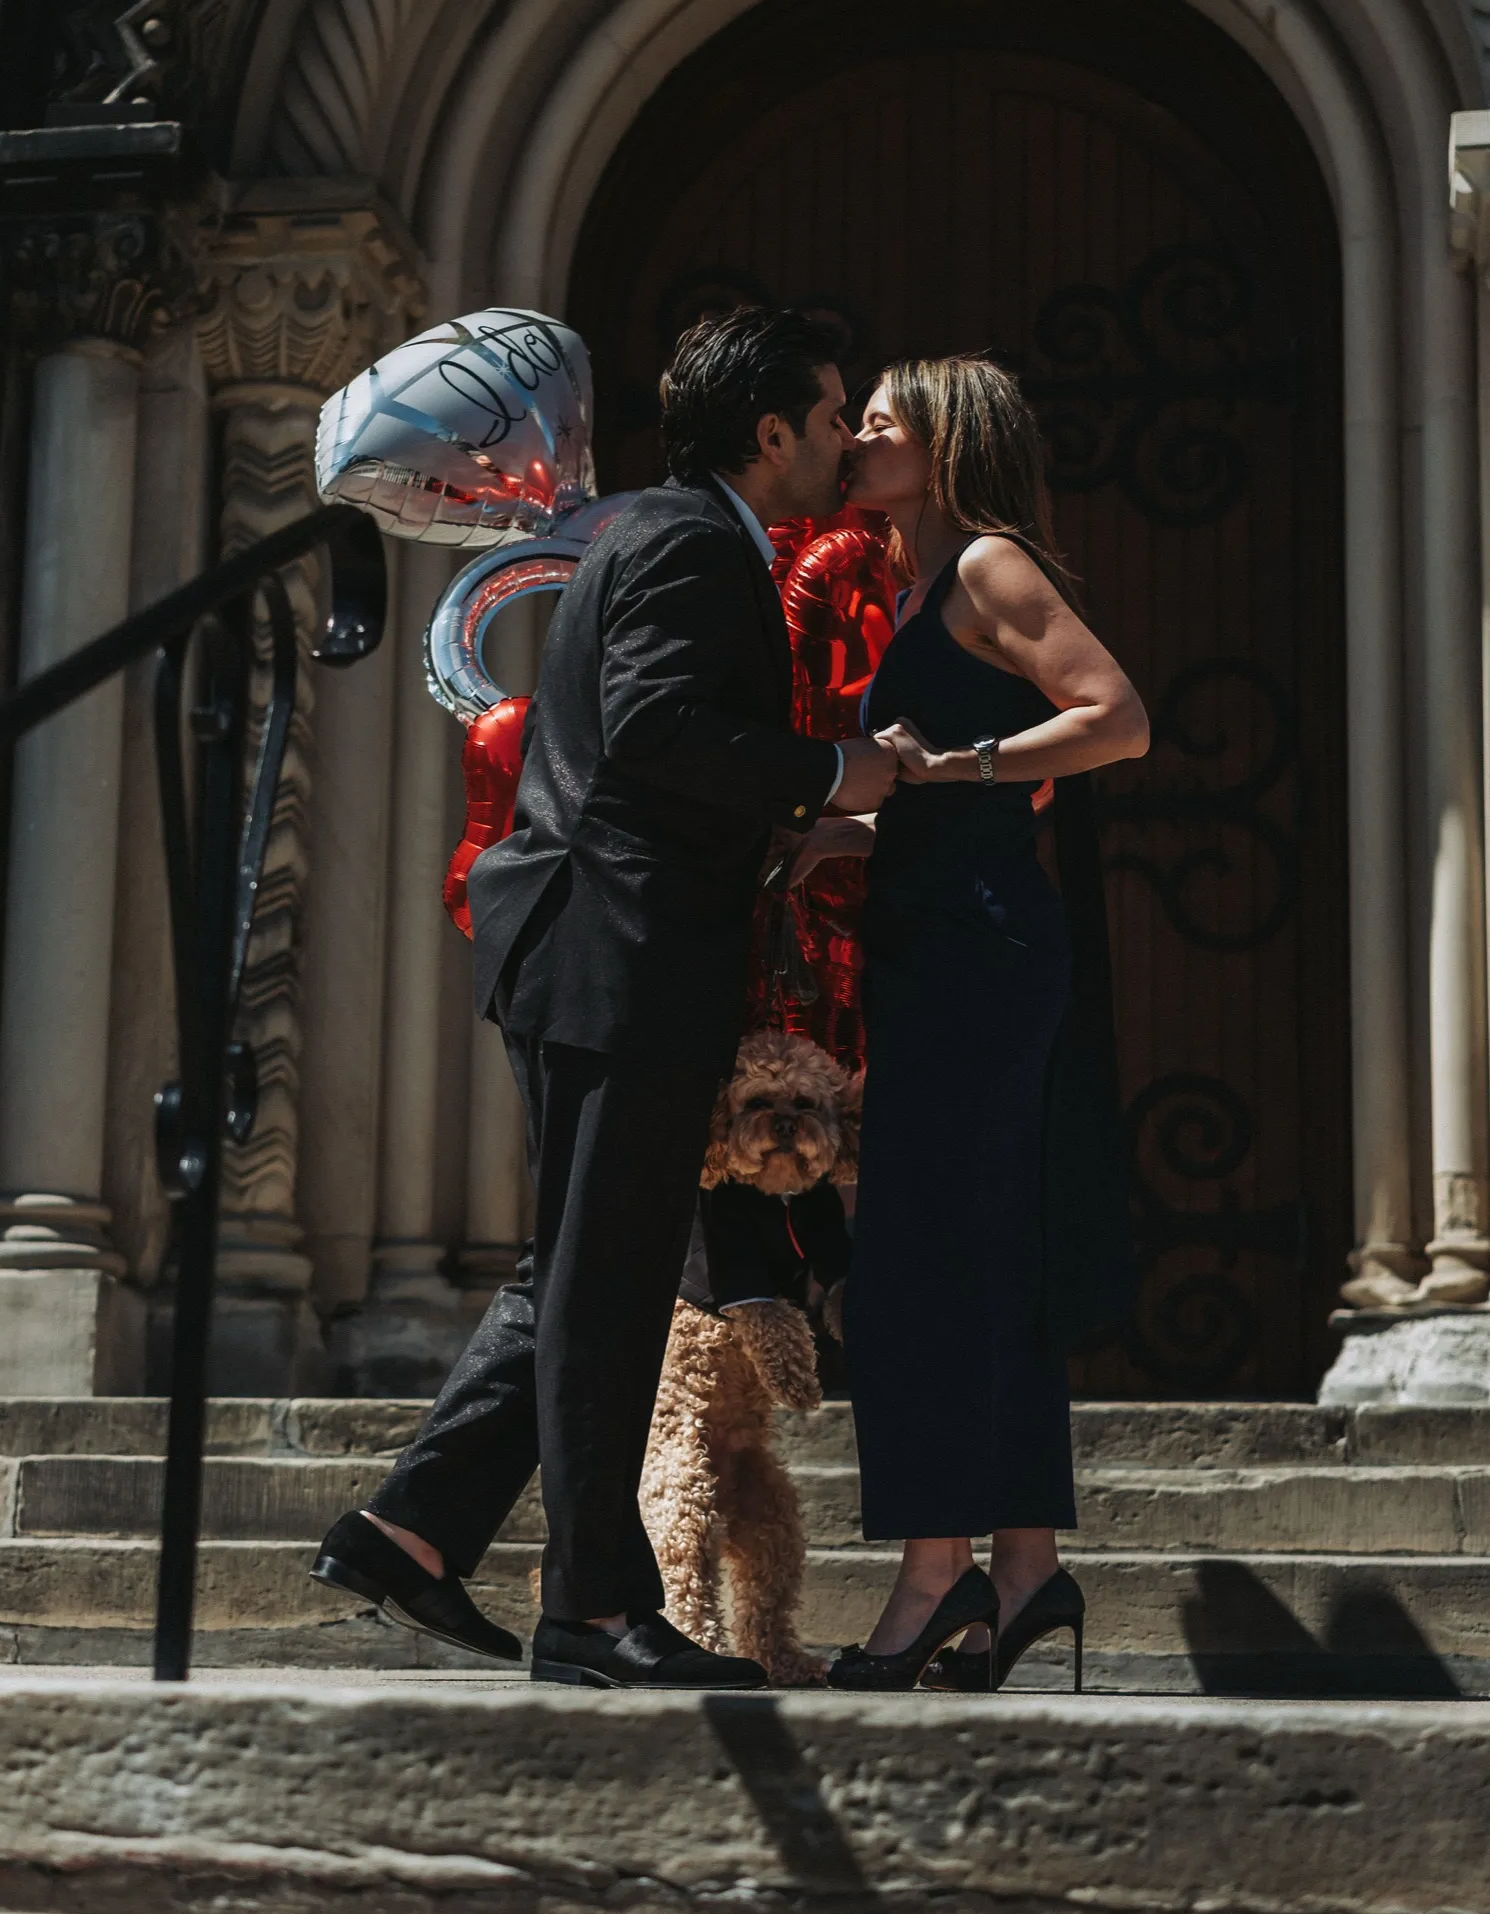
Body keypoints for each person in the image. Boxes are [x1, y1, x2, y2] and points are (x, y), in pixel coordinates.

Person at [312, 308, 899, 1689]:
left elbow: (643, 752)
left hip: (599, 947)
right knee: (608, 1282)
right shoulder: (692, 541)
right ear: (768, 433)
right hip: (611, 954)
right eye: (826, 417)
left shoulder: (663, 533)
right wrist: (827, 774)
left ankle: (412, 1532)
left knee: (577, 1268)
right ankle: (589, 1610)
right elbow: (653, 730)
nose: (837, 438)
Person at [789, 356, 1147, 1693]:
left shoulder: (988, 568)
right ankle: (1021, 1567)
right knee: (976, 1256)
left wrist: (964, 766)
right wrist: (835, 833)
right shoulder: (917, 586)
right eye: (862, 410)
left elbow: (1115, 721)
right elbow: (945, 794)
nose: (865, 426)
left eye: (891, 410)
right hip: (946, 939)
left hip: (978, 953)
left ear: (954, 440)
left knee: (920, 1265)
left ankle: (932, 1579)